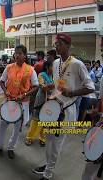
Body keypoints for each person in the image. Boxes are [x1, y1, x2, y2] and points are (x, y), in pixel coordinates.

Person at [32, 33, 95, 180]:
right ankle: (48, 165)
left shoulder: (77, 64)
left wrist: (72, 92)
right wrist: (51, 86)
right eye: (56, 44)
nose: (57, 46)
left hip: (67, 110)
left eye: (60, 43)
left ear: (68, 45)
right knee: (48, 139)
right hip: (53, 107)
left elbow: (90, 87)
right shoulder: (55, 63)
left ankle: (48, 173)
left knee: (56, 143)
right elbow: (59, 83)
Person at [0, 45, 39, 159]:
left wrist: (25, 94)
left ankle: (11, 148)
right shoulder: (9, 67)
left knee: (17, 129)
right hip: (8, 101)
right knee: (2, 125)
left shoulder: (30, 70)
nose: (17, 55)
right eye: (16, 53)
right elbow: (2, 81)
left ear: (25, 56)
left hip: (22, 103)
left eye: (20, 53)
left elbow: (36, 86)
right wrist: (5, 91)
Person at [25, 60, 55, 147]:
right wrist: (55, 85)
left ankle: (42, 138)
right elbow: (43, 87)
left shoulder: (53, 76)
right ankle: (29, 138)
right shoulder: (41, 75)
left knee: (45, 120)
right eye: (52, 67)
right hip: (41, 100)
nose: (54, 69)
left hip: (50, 101)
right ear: (47, 67)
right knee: (36, 120)